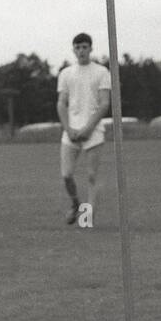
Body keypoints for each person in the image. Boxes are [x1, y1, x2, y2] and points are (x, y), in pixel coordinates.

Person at [56, 32, 111, 227]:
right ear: (73, 50)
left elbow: (105, 104)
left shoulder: (102, 72)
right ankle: (75, 203)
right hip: (71, 130)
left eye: (84, 47)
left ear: (90, 48)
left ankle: (87, 218)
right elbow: (61, 103)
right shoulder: (66, 73)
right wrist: (68, 128)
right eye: (77, 47)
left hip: (93, 131)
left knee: (91, 175)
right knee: (67, 174)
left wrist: (88, 128)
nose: (81, 51)